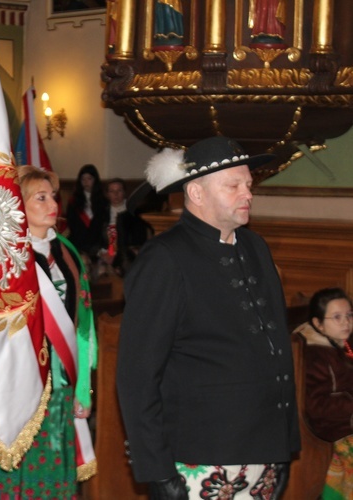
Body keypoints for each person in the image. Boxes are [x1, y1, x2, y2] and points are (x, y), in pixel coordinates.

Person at [116, 136, 299, 499]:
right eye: (233, 185)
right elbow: (137, 376)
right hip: (198, 458)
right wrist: (157, 470)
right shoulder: (163, 259)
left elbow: (276, 347)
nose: (247, 194)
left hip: (264, 453)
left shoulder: (256, 247)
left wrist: (282, 451)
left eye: (248, 184)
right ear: (197, 193)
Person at [0, 165, 97, 497]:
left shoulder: (69, 253)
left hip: (61, 383)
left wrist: (83, 387)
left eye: (53, 196)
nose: (52, 204)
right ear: (18, 205)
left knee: (55, 471)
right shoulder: (5, 258)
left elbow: (83, 324)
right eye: (40, 197)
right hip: (17, 385)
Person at [296, 287, 353, 499]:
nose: (346, 322)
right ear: (318, 324)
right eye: (337, 317)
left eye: (349, 315)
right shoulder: (314, 355)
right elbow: (317, 406)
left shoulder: (342, 344)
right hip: (331, 430)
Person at [65, 164, 108, 270]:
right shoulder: (73, 202)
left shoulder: (103, 202)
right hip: (78, 244)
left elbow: (103, 226)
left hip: (97, 245)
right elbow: (72, 226)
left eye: (89, 178)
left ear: (95, 180)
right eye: (83, 179)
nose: (86, 182)